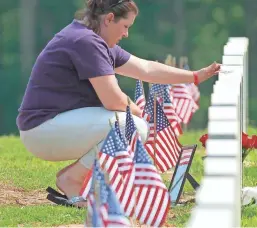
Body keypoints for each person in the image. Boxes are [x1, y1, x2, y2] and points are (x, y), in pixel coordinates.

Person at [17, 0, 220, 207]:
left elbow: (146, 69)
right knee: (132, 126)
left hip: (47, 128)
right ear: (109, 19)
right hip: (42, 131)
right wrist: (137, 111)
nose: (126, 34)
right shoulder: (87, 42)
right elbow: (113, 100)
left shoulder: (90, 37)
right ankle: (72, 179)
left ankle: (84, 180)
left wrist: (195, 76)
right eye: (125, 27)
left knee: (130, 125)